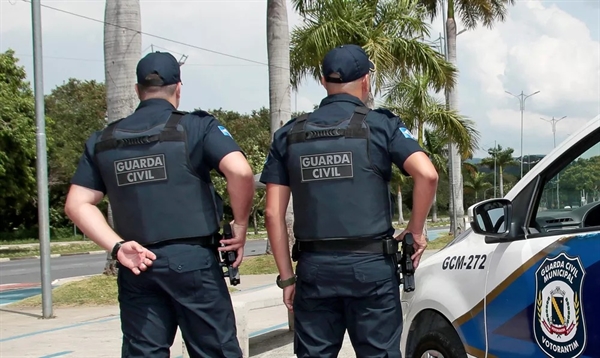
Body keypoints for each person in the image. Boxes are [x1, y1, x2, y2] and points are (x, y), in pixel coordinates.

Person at [64, 51, 255, 358]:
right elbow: (240, 170)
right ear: (178, 88)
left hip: (138, 264)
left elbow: (77, 204)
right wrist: (240, 225)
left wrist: (117, 247)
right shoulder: (196, 128)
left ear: (138, 90)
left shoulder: (104, 139)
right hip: (193, 261)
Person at [259, 44, 438, 358]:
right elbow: (427, 175)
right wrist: (416, 230)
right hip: (370, 268)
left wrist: (287, 277)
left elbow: (273, 212)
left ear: (322, 80)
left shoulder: (290, 134)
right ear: (366, 80)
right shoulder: (381, 125)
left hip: (314, 270)